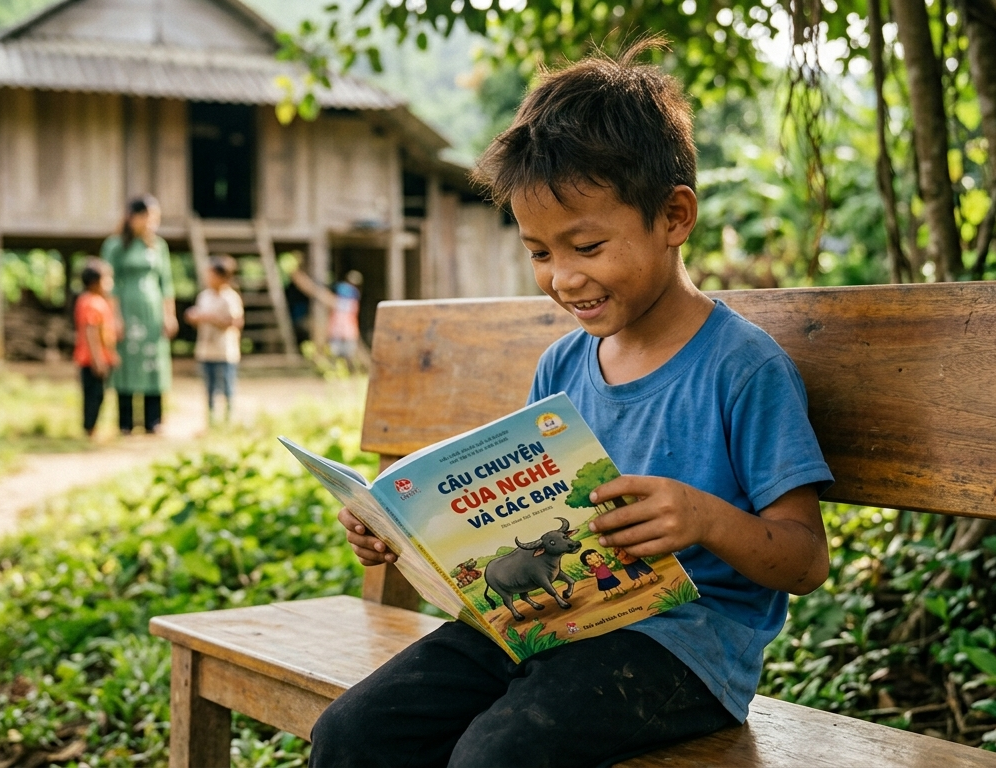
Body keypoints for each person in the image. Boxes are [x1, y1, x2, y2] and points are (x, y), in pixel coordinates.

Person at [312, 39, 834, 768]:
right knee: (352, 735)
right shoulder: (561, 364)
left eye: (586, 246)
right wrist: (401, 534)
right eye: (539, 252)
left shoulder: (742, 369)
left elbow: (807, 561)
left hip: (681, 648)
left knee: (497, 754)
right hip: (550, 617)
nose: (561, 278)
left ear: (675, 216)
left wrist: (703, 518)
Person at [102, 195, 177, 434]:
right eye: (147, 216)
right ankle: (125, 421)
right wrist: (114, 317)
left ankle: (153, 420)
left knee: (154, 360)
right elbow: (109, 284)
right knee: (127, 361)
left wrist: (169, 314)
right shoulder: (115, 245)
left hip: (153, 310)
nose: (151, 222)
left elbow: (166, 283)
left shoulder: (159, 246)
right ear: (133, 217)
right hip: (126, 308)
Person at [185, 255, 244, 424]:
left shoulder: (230, 297)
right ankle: (211, 421)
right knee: (209, 389)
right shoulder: (204, 296)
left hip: (225, 351)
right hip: (206, 350)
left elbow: (235, 322)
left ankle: (228, 420)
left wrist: (209, 317)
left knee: (227, 387)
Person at [72, 259, 120, 437]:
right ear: (94, 282)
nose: (110, 284)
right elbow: (91, 333)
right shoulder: (90, 302)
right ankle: (89, 430)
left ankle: (92, 428)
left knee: (99, 395)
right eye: (107, 279)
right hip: (90, 360)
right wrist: (98, 360)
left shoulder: (97, 301)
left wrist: (112, 354)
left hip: (100, 358)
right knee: (93, 396)